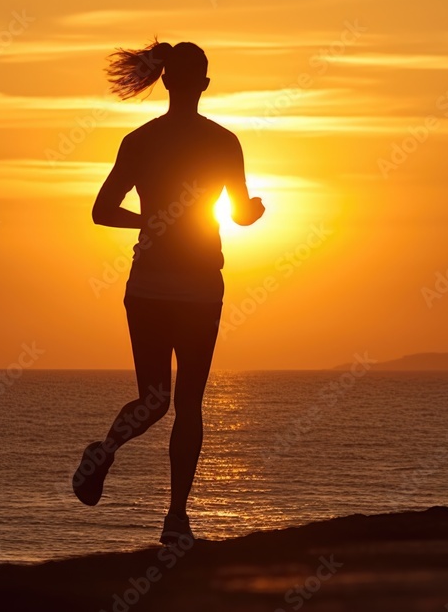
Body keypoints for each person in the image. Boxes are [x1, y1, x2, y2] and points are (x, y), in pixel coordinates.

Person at [72, 39, 264, 544]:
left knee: (153, 398)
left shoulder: (139, 141)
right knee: (190, 403)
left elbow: (102, 211)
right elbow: (241, 214)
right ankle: (176, 518)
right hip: (200, 287)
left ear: (164, 81)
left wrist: (149, 220)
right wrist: (256, 211)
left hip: (149, 286)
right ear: (202, 84)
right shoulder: (224, 143)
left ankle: (107, 448)